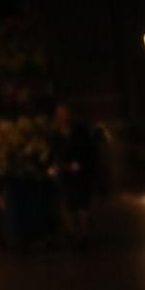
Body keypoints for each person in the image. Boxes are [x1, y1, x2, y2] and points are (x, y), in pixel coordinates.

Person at [50, 103, 100, 241]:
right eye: (60, 115)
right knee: (69, 203)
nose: (63, 118)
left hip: (80, 173)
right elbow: (54, 151)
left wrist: (80, 164)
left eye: (65, 114)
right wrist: (58, 164)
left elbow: (89, 150)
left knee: (82, 203)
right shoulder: (55, 133)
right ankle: (73, 232)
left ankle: (84, 233)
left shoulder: (80, 131)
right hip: (65, 172)